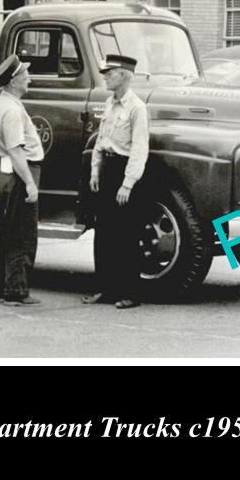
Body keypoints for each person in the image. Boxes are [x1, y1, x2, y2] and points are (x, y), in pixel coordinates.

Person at [83, 53, 150, 310]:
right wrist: (95, 171)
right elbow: (101, 140)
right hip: (108, 170)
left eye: (110, 74)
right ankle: (105, 288)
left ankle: (130, 292)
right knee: (104, 234)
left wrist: (128, 183)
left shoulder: (136, 108)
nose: (106, 78)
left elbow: (139, 149)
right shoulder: (110, 104)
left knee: (126, 235)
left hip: (123, 171)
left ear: (123, 75)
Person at [0, 53, 45, 306]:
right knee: (22, 233)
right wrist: (30, 182)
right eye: (25, 75)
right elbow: (16, 149)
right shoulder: (10, 110)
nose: (29, 79)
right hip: (18, 174)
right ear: (13, 81)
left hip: (1, 171)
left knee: (4, 231)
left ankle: (2, 286)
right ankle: (16, 290)